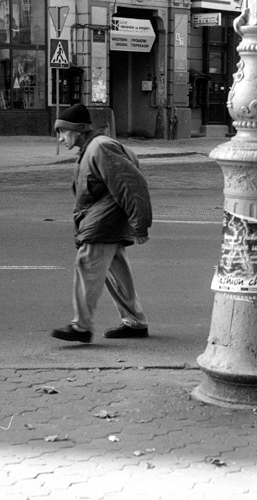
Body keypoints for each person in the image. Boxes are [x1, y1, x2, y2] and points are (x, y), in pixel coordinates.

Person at [51, 104, 152, 343]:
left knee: (87, 265)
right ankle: (135, 322)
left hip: (103, 224)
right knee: (116, 274)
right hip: (105, 222)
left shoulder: (100, 148)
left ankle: (81, 326)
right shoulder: (91, 149)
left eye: (62, 131)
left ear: (78, 129)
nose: (60, 138)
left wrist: (140, 224)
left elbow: (132, 186)